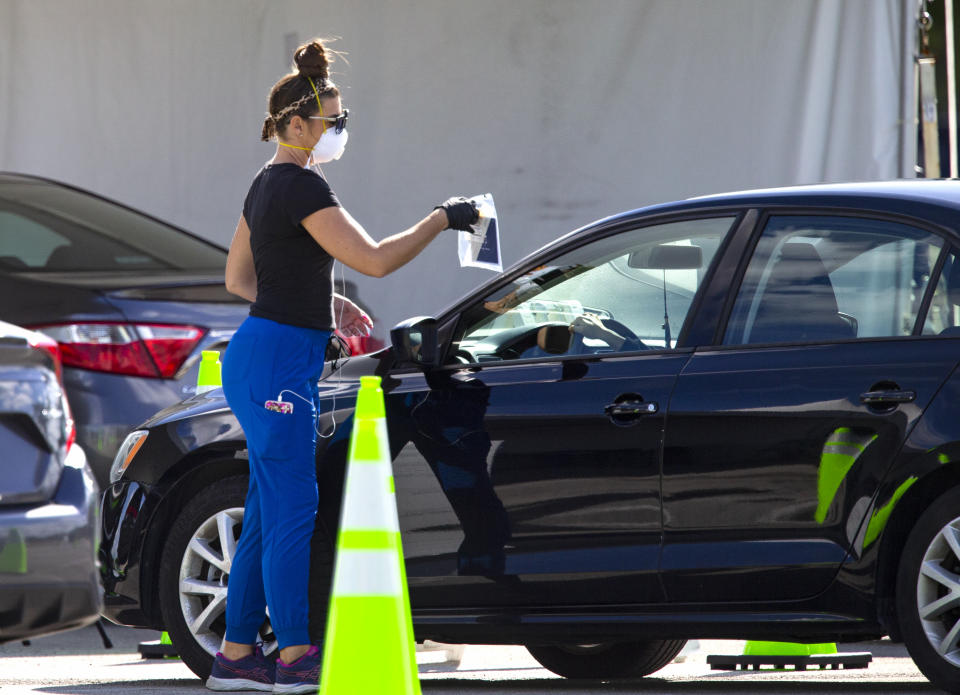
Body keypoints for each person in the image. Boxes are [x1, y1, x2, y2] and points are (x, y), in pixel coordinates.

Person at [209, 38, 478, 693]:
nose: (339, 131)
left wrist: (306, 301)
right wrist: (445, 217)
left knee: (268, 514)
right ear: (296, 125)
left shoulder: (263, 183)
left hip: (261, 354)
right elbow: (377, 259)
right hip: (276, 363)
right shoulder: (300, 184)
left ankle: (237, 656)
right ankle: (296, 656)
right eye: (335, 121)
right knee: (294, 507)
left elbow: (237, 278)